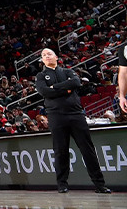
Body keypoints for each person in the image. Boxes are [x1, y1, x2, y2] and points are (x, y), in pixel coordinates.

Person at [36, 47, 112, 193]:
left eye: (49, 54)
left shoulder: (67, 71)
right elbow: (44, 91)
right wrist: (65, 88)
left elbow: (76, 83)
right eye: (43, 55)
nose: (46, 56)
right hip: (56, 116)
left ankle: (100, 184)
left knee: (88, 150)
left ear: (56, 57)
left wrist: (55, 88)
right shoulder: (40, 76)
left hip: (76, 114)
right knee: (60, 151)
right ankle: (62, 184)